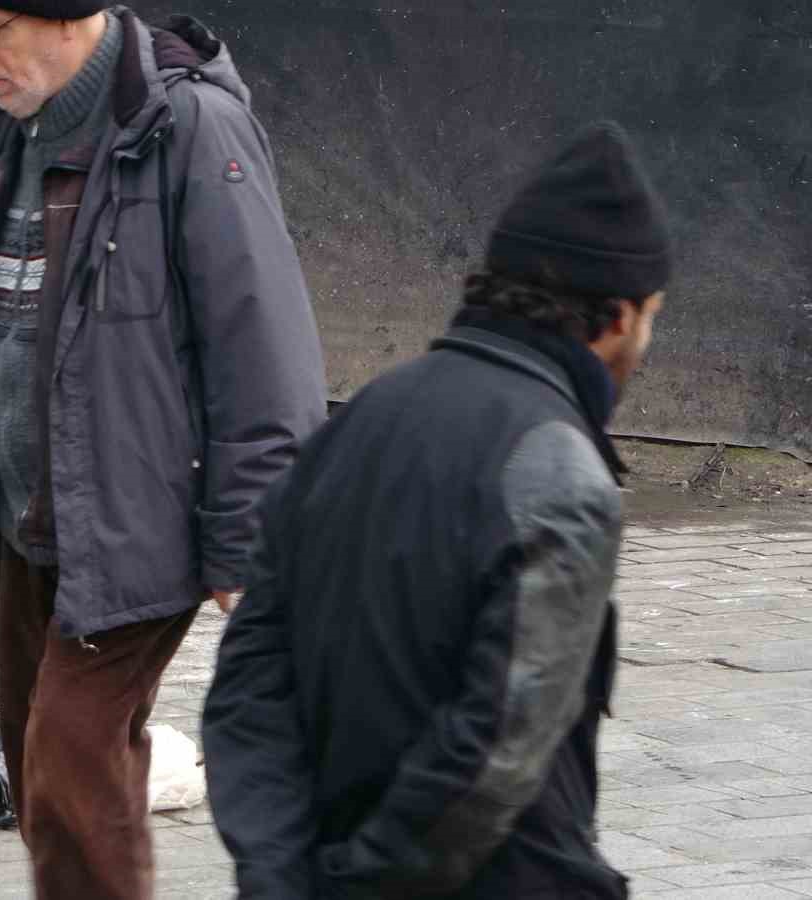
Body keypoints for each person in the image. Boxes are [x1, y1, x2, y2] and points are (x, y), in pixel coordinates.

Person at [0, 1, 327, 896]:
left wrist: (251, 539)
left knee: (69, 754)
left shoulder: (189, 127)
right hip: (31, 520)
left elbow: (263, 347)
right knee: (38, 759)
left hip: (142, 516)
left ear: (63, 18)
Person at [203, 121, 671, 899]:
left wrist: (279, 874)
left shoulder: (354, 423)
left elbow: (248, 687)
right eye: (653, 318)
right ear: (621, 317)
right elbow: (494, 751)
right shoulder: (560, 472)